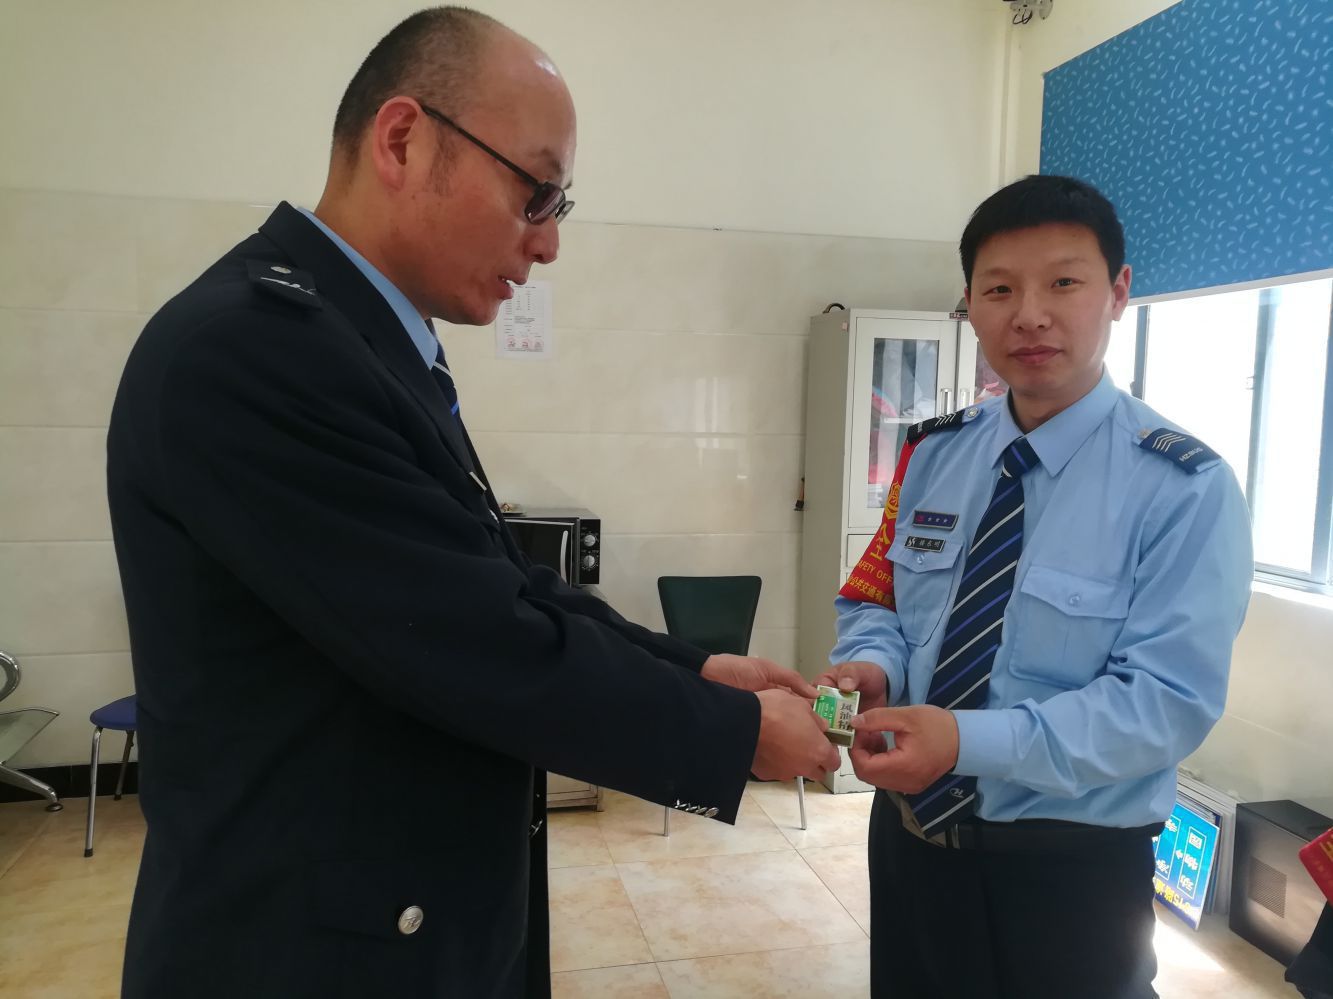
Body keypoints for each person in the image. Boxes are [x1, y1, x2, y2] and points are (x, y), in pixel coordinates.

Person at [106, 8, 839, 998]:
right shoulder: (251, 351)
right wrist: (733, 731)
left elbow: (496, 584)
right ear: (403, 141)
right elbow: (478, 643)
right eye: (535, 193)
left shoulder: (362, 345)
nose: (549, 245)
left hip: (397, 922)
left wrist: (698, 667)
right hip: (307, 951)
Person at [816, 174, 1253, 999]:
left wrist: (964, 741)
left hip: (1068, 875)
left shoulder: (1183, 487)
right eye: (998, 289)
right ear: (969, 303)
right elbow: (877, 599)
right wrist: (873, 664)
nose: (1028, 315)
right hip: (909, 845)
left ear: (1117, 292)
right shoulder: (933, 454)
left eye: (1062, 282)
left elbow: (1162, 705)